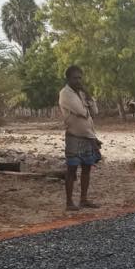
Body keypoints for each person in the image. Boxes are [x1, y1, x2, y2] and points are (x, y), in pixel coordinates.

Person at [58, 65, 102, 211]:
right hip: (74, 136)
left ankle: (83, 199)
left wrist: (88, 96)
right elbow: (82, 112)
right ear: (68, 79)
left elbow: (95, 111)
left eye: (79, 78)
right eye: (75, 78)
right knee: (71, 169)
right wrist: (88, 103)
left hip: (88, 136)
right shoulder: (65, 94)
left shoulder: (82, 94)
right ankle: (69, 202)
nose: (78, 81)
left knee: (87, 168)